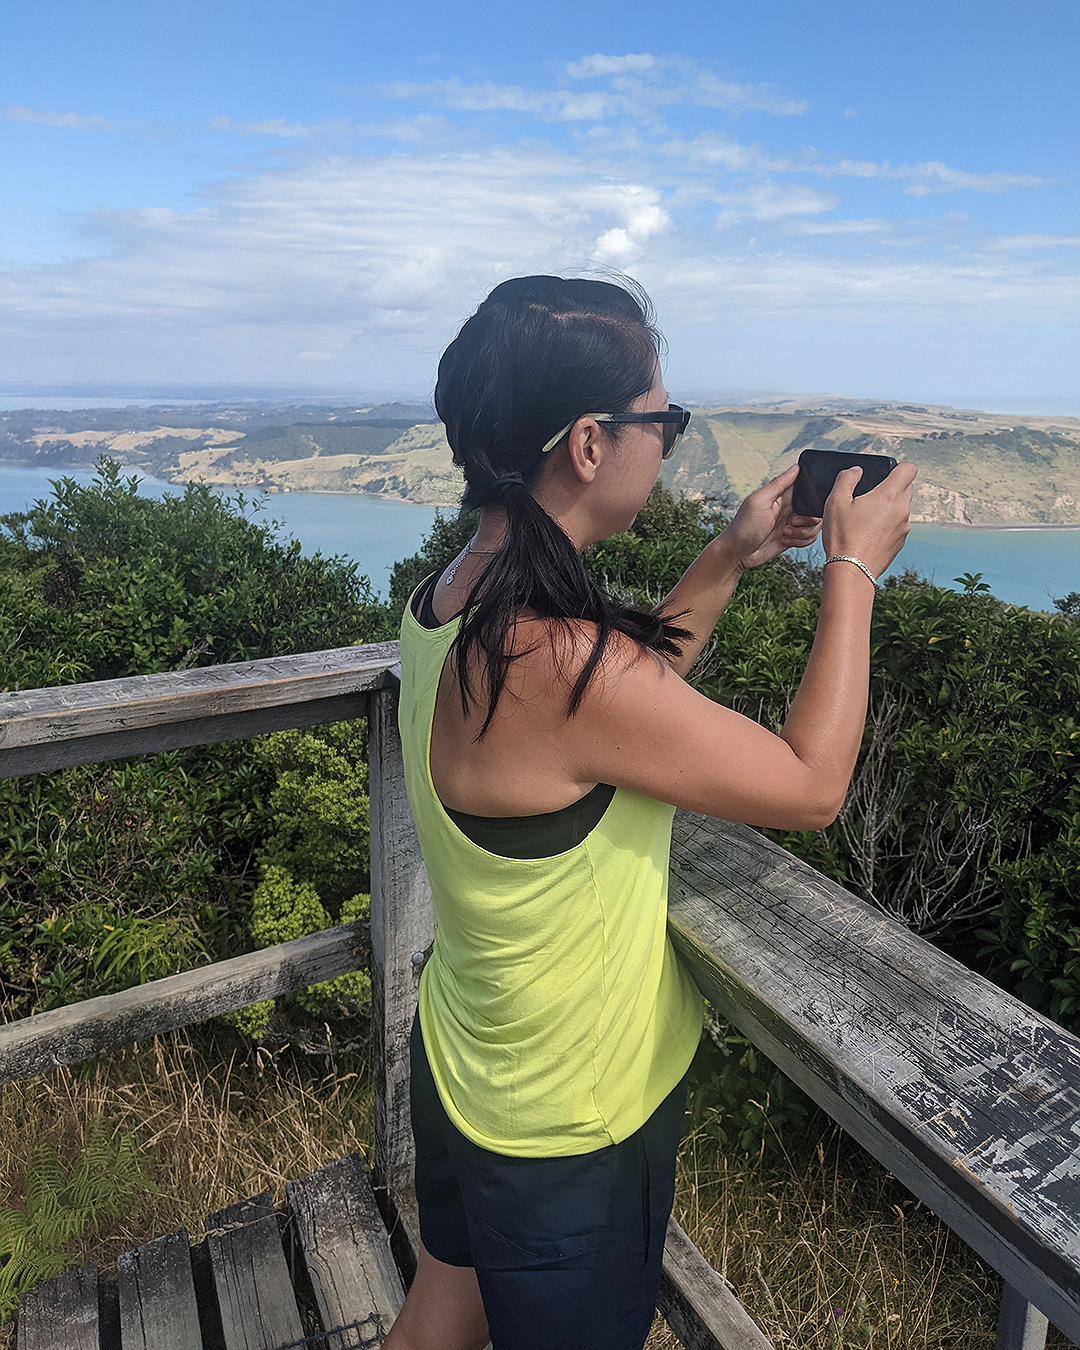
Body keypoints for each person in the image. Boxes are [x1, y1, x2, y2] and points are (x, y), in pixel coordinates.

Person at [383, 275, 916, 1350]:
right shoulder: (554, 659)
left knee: (436, 1326)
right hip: (569, 1122)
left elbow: (614, 707)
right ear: (589, 441)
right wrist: (853, 569)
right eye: (662, 422)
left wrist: (728, 556)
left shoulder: (456, 597)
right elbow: (810, 788)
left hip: (470, 1060)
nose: (667, 442)